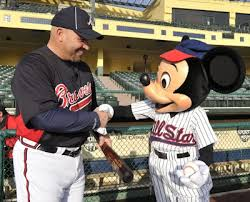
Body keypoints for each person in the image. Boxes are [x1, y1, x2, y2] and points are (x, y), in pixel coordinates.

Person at [11, 6, 112, 202]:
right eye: (81, 39)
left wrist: (100, 133)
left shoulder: (83, 68)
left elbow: (90, 108)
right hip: (41, 160)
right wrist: (95, 121)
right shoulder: (33, 65)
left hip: (75, 160)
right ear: (60, 34)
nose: (87, 46)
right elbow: (44, 116)